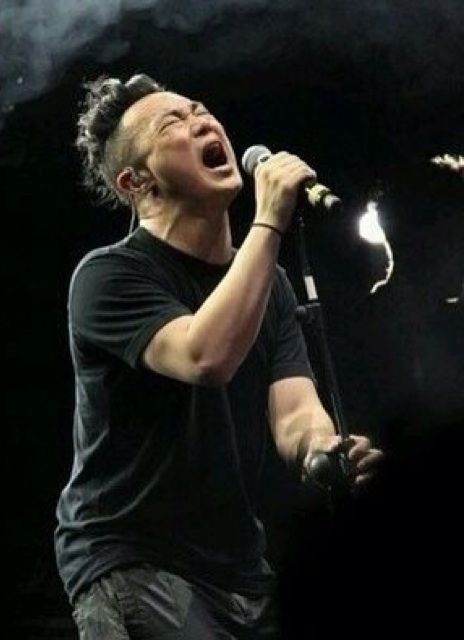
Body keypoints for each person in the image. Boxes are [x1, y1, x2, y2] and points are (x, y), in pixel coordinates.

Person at [54, 74, 383, 639]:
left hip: (237, 569)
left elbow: (294, 414)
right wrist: (269, 219)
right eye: (174, 123)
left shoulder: (270, 286)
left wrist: (324, 449)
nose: (203, 122)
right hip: (134, 558)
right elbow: (205, 356)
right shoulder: (108, 276)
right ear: (136, 182)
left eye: (201, 111)